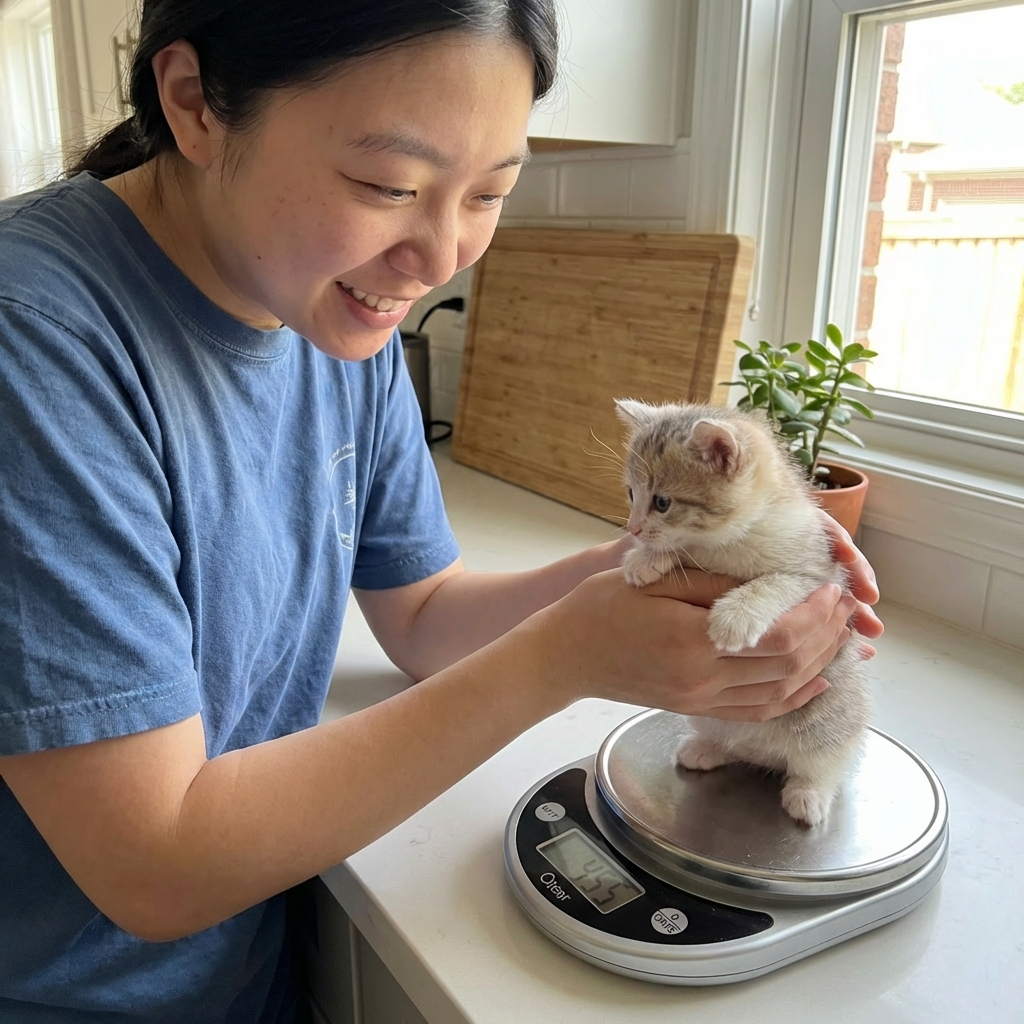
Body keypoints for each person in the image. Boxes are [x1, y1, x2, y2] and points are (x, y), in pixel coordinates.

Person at [0, 2, 883, 1021]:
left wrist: (651, 573)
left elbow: (421, 614)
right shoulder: (40, 343)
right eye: (390, 186)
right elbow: (153, 864)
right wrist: (565, 657)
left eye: (491, 192)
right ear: (194, 104)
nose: (439, 256)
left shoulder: (335, 311)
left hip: (245, 961)